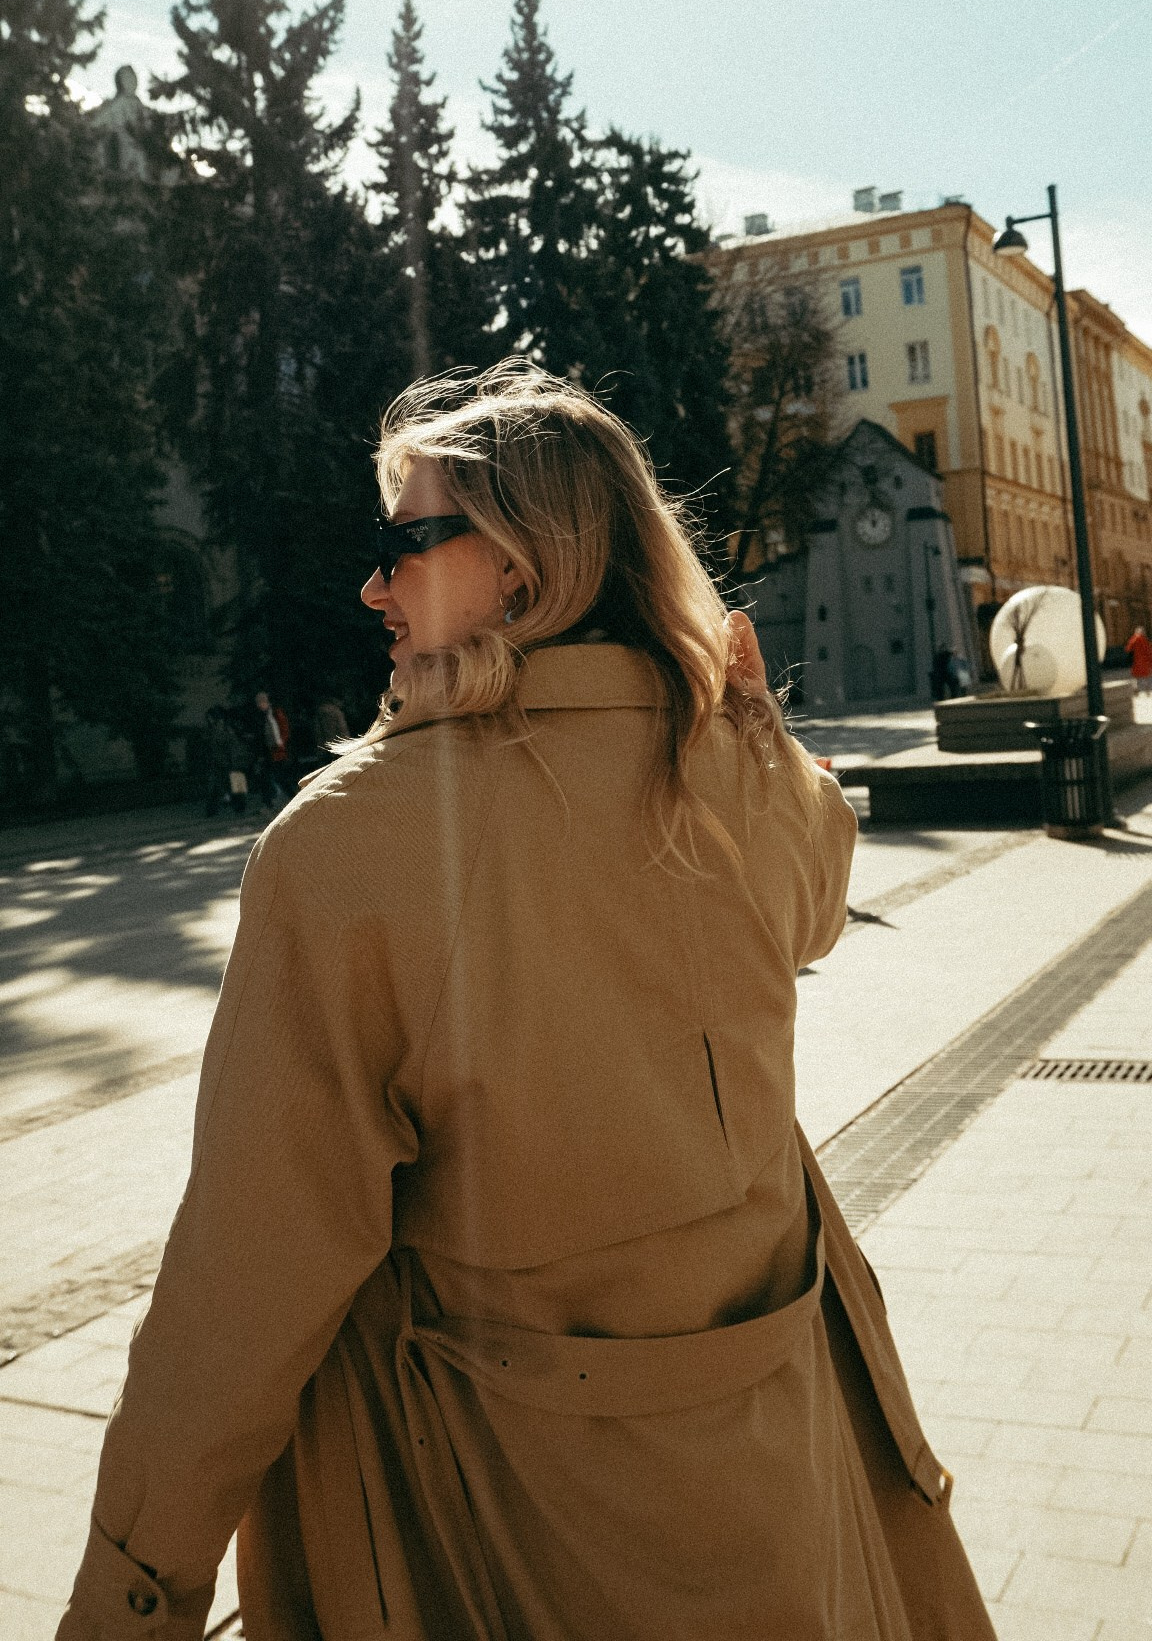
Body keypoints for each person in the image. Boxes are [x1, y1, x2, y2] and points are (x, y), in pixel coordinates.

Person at [59, 364, 994, 1640]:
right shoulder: (734, 767)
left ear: (521, 563)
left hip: (505, 1518)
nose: (373, 585)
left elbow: (244, 1282)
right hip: (780, 1471)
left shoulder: (353, 847)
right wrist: (756, 717)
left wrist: (132, 1590)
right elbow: (821, 893)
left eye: (406, 542)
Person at [254, 689, 292, 810]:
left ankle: (290, 797)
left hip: (276, 751)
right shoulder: (263, 716)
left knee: (280, 777)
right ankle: (269, 802)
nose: (260, 705)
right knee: (269, 777)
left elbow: (283, 731)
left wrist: (281, 744)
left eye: (261, 702)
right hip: (269, 752)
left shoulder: (275, 714)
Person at [1127, 622, 1152, 693]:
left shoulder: (1133, 639)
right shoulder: (1145, 640)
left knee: (1136, 676)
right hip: (1145, 661)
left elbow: (1128, 649)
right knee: (1147, 676)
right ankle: (1147, 690)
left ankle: (1136, 689)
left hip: (1136, 661)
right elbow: (1149, 651)